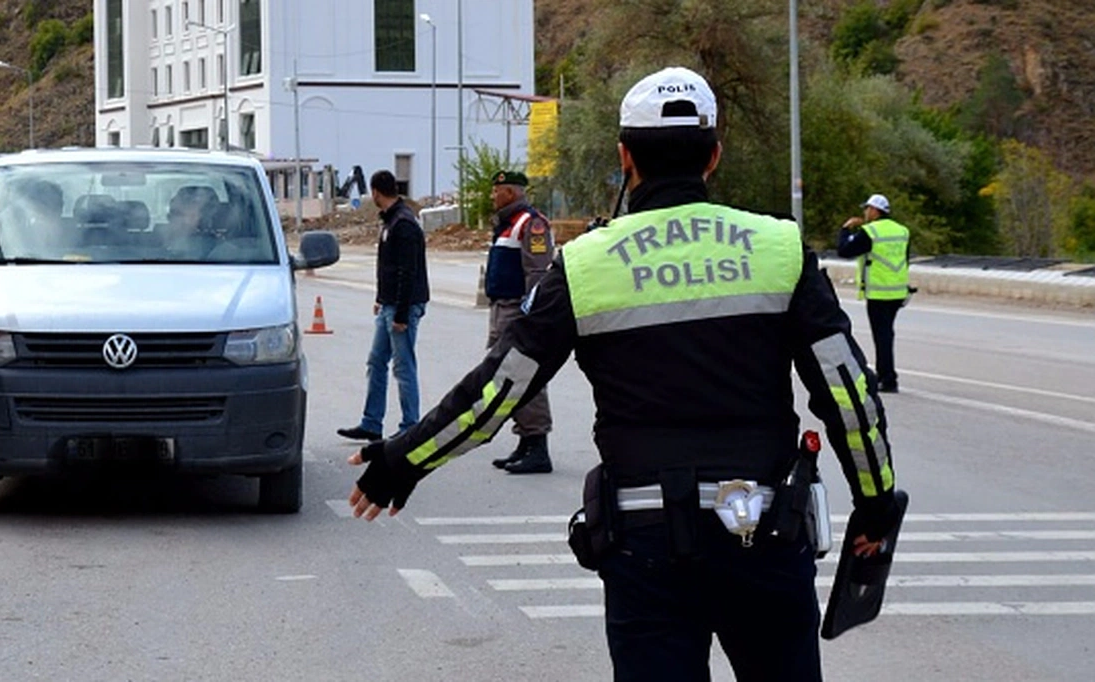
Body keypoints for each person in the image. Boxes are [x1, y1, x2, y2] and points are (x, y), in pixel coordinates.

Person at [345, 66, 901, 681]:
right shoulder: (779, 248)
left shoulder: (585, 264)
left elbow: (497, 392)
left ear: (624, 156)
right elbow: (848, 393)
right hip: (763, 533)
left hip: (647, 545)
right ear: (713, 156)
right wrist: (874, 502)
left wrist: (403, 460)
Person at [337, 170, 430, 442]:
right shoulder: (391, 221)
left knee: (403, 367)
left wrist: (400, 313)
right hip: (389, 304)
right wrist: (381, 297)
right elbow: (389, 268)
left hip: (403, 307)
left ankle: (410, 427)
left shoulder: (403, 224)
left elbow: (407, 272)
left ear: (376, 192)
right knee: (377, 361)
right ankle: (371, 423)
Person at [484, 170, 555, 474]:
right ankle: (525, 440)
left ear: (510, 193)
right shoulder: (507, 224)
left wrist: (531, 315)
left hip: (517, 311)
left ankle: (537, 445)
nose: (492, 196)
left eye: (496, 191)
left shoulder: (531, 224)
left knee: (525, 376)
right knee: (505, 377)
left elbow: (537, 275)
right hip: (501, 310)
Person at [837, 193, 911, 393]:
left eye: (867, 209)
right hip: (898, 291)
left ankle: (888, 379)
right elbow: (905, 258)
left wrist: (845, 229)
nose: (865, 212)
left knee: (882, 336)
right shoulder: (902, 231)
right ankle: (886, 375)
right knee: (886, 333)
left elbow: (844, 250)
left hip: (879, 292)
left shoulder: (870, 232)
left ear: (874, 210)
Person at [162, 185, 220, 258]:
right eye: (173, 213)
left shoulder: (224, 252)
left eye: (179, 214)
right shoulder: (151, 247)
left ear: (203, 217)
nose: (169, 218)